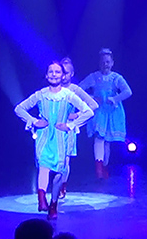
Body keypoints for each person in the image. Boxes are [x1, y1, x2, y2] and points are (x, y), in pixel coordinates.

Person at [15, 61, 94, 219]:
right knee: (43, 166)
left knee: (59, 173)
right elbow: (19, 108)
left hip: (60, 138)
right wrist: (34, 121)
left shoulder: (68, 95)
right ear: (46, 75)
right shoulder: (40, 94)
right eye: (50, 71)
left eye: (57, 72)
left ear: (63, 76)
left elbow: (89, 111)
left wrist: (70, 125)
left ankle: (53, 204)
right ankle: (41, 198)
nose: (54, 74)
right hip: (44, 137)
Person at [79, 48, 133, 179]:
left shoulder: (116, 78)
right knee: (99, 137)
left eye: (108, 62)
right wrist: (91, 98)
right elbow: (79, 89)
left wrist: (115, 98)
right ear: (99, 63)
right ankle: (98, 168)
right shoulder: (94, 77)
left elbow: (128, 91)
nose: (105, 64)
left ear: (112, 63)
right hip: (99, 111)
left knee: (107, 141)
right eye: (103, 62)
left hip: (112, 112)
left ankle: (104, 166)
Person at [58, 57, 99, 198]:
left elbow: (93, 105)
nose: (63, 76)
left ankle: (62, 186)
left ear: (72, 74)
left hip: (68, 128)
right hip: (53, 128)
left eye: (66, 73)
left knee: (65, 160)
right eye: (61, 72)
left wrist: (77, 115)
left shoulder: (75, 90)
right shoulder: (53, 88)